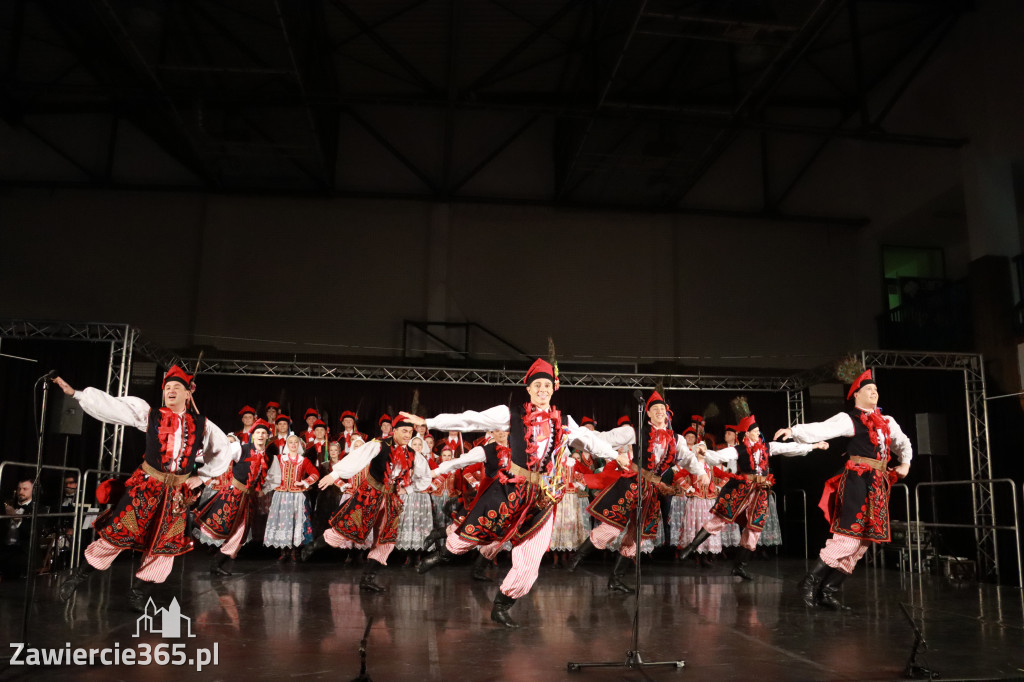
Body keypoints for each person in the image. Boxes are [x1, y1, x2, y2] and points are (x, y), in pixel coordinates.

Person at [408, 358, 635, 628]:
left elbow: (590, 441)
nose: (542, 389)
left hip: (542, 498)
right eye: (537, 385)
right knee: (475, 533)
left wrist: (613, 455)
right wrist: (429, 421)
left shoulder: (563, 421)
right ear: (528, 389)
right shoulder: (510, 414)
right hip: (511, 489)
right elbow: (471, 419)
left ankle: (503, 604)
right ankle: (443, 554)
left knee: (531, 559)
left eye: (547, 385)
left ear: (554, 389)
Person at [53, 367, 239, 611]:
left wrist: (202, 478)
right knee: (118, 533)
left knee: (165, 545)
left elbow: (223, 450)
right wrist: (76, 393)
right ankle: (78, 576)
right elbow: (113, 407)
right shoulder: (150, 414)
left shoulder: (201, 424)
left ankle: (139, 593)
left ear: (188, 394)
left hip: (176, 496)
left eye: (177, 387)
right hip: (146, 488)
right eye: (167, 388)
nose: (171, 391)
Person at [776, 369, 912, 610]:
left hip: (878, 484)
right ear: (856, 394)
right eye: (869, 389)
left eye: (876, 389)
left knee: (864, 542)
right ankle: (809, 582)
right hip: (857, 482)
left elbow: (903, 443)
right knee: (849, 538)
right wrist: (794, 431)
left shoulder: (887, 421)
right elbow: (821, 429)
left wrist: (905, 463)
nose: (874, 392)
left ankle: (828, 591)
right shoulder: (849, 419)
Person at [569, 391, 718, 593]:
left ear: (667, 413)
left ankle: (616, 578)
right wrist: (580, 434)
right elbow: (606, 437)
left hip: (651, 490)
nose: (659, 412)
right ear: (647, 413)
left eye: (662, 409)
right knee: (612, 527)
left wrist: (701, 472)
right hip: (632, 483)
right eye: (654, 409)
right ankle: (578, 556)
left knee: (637, 535)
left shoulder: (677, 439)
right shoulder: (634, 431)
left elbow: (688, 460)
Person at [679, 414, 827, 580]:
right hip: (742, 489)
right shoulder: (740, 449)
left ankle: (739, 566)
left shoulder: (767, 447)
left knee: (755, 527)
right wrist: (704, 453)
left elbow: (788, 448)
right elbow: (720, 456)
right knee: (721, 517)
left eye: (758, 430)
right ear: (747, 433)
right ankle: (692, 547)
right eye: (755, 431)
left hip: (760, 490)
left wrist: (814, 446)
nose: (758, 433)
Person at [303, 415, 431, 592]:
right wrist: (334, 475)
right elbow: (356, 459)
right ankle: (314, 546)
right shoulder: (378, 445)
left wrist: (407, 490)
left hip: (391, 499)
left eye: (410, 432)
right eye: (404, 431)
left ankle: (368, 579)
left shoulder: (414, 455)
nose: (408, 435)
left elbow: (425, 477)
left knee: (386, 540)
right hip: (369, 494)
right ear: (394, 431)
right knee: (346, 528)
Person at [195, 419, 274, 575]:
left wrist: (262, 489)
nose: (260, 435)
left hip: (249, 498)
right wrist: (200, 463)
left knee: (241, 533)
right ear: (252, 436)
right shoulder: (241, 449)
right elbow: (219, 456)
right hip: (233, 493)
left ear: (267, 437)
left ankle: (217, 563)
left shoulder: (269, 457)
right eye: (257, 432)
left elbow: (271, 477)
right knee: (218, 523)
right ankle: (193, 530)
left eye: (263, 433)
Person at [263, 434, 319, 561]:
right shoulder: (279, 458)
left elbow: (315, 474)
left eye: (295, 442)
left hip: (296, 496)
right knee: (282, 522)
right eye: (291, 442)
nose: (293, 445)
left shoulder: (303, 460)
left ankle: (295, 551)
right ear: (287, 445)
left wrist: (304, 482)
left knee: (296, 522)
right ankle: (284, 551)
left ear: (299, 445)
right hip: (281, 495)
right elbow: (270, 473)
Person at [2, 478, 35, 579]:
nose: (21, 492)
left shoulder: (37, 508)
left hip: (24, 552)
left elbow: (32, 532)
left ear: (33, 490)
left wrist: (16, 518)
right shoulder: (9, 506)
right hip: (6, 549)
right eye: (19, 488)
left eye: (25, 489)